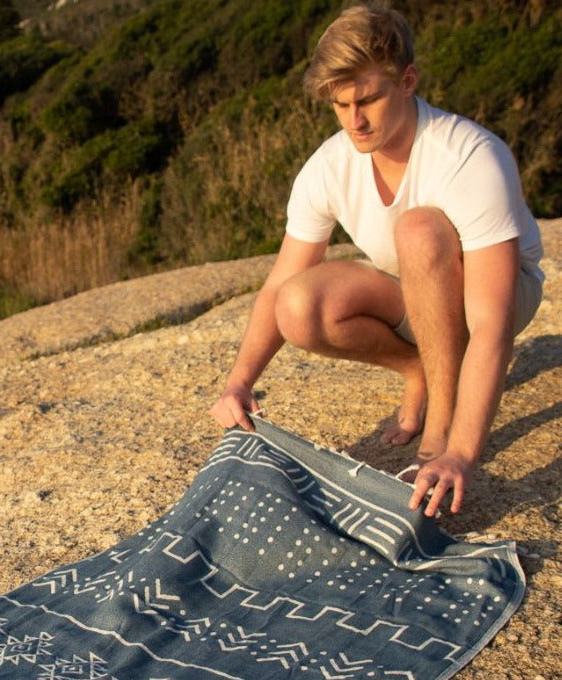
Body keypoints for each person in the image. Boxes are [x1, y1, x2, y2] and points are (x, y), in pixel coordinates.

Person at [210, 2, 543, 517]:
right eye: (341, 106)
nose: (355, 121)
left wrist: (455, 454)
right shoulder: (329, 166)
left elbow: (491, 323)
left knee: (419, 230)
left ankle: (434, 433)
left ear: (407, 81)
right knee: (298, 305)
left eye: (368, 99)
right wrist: (239, 382)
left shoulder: (470, 156)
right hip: (412, 289)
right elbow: (279, 284)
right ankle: (420, 368)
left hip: (499, 291)